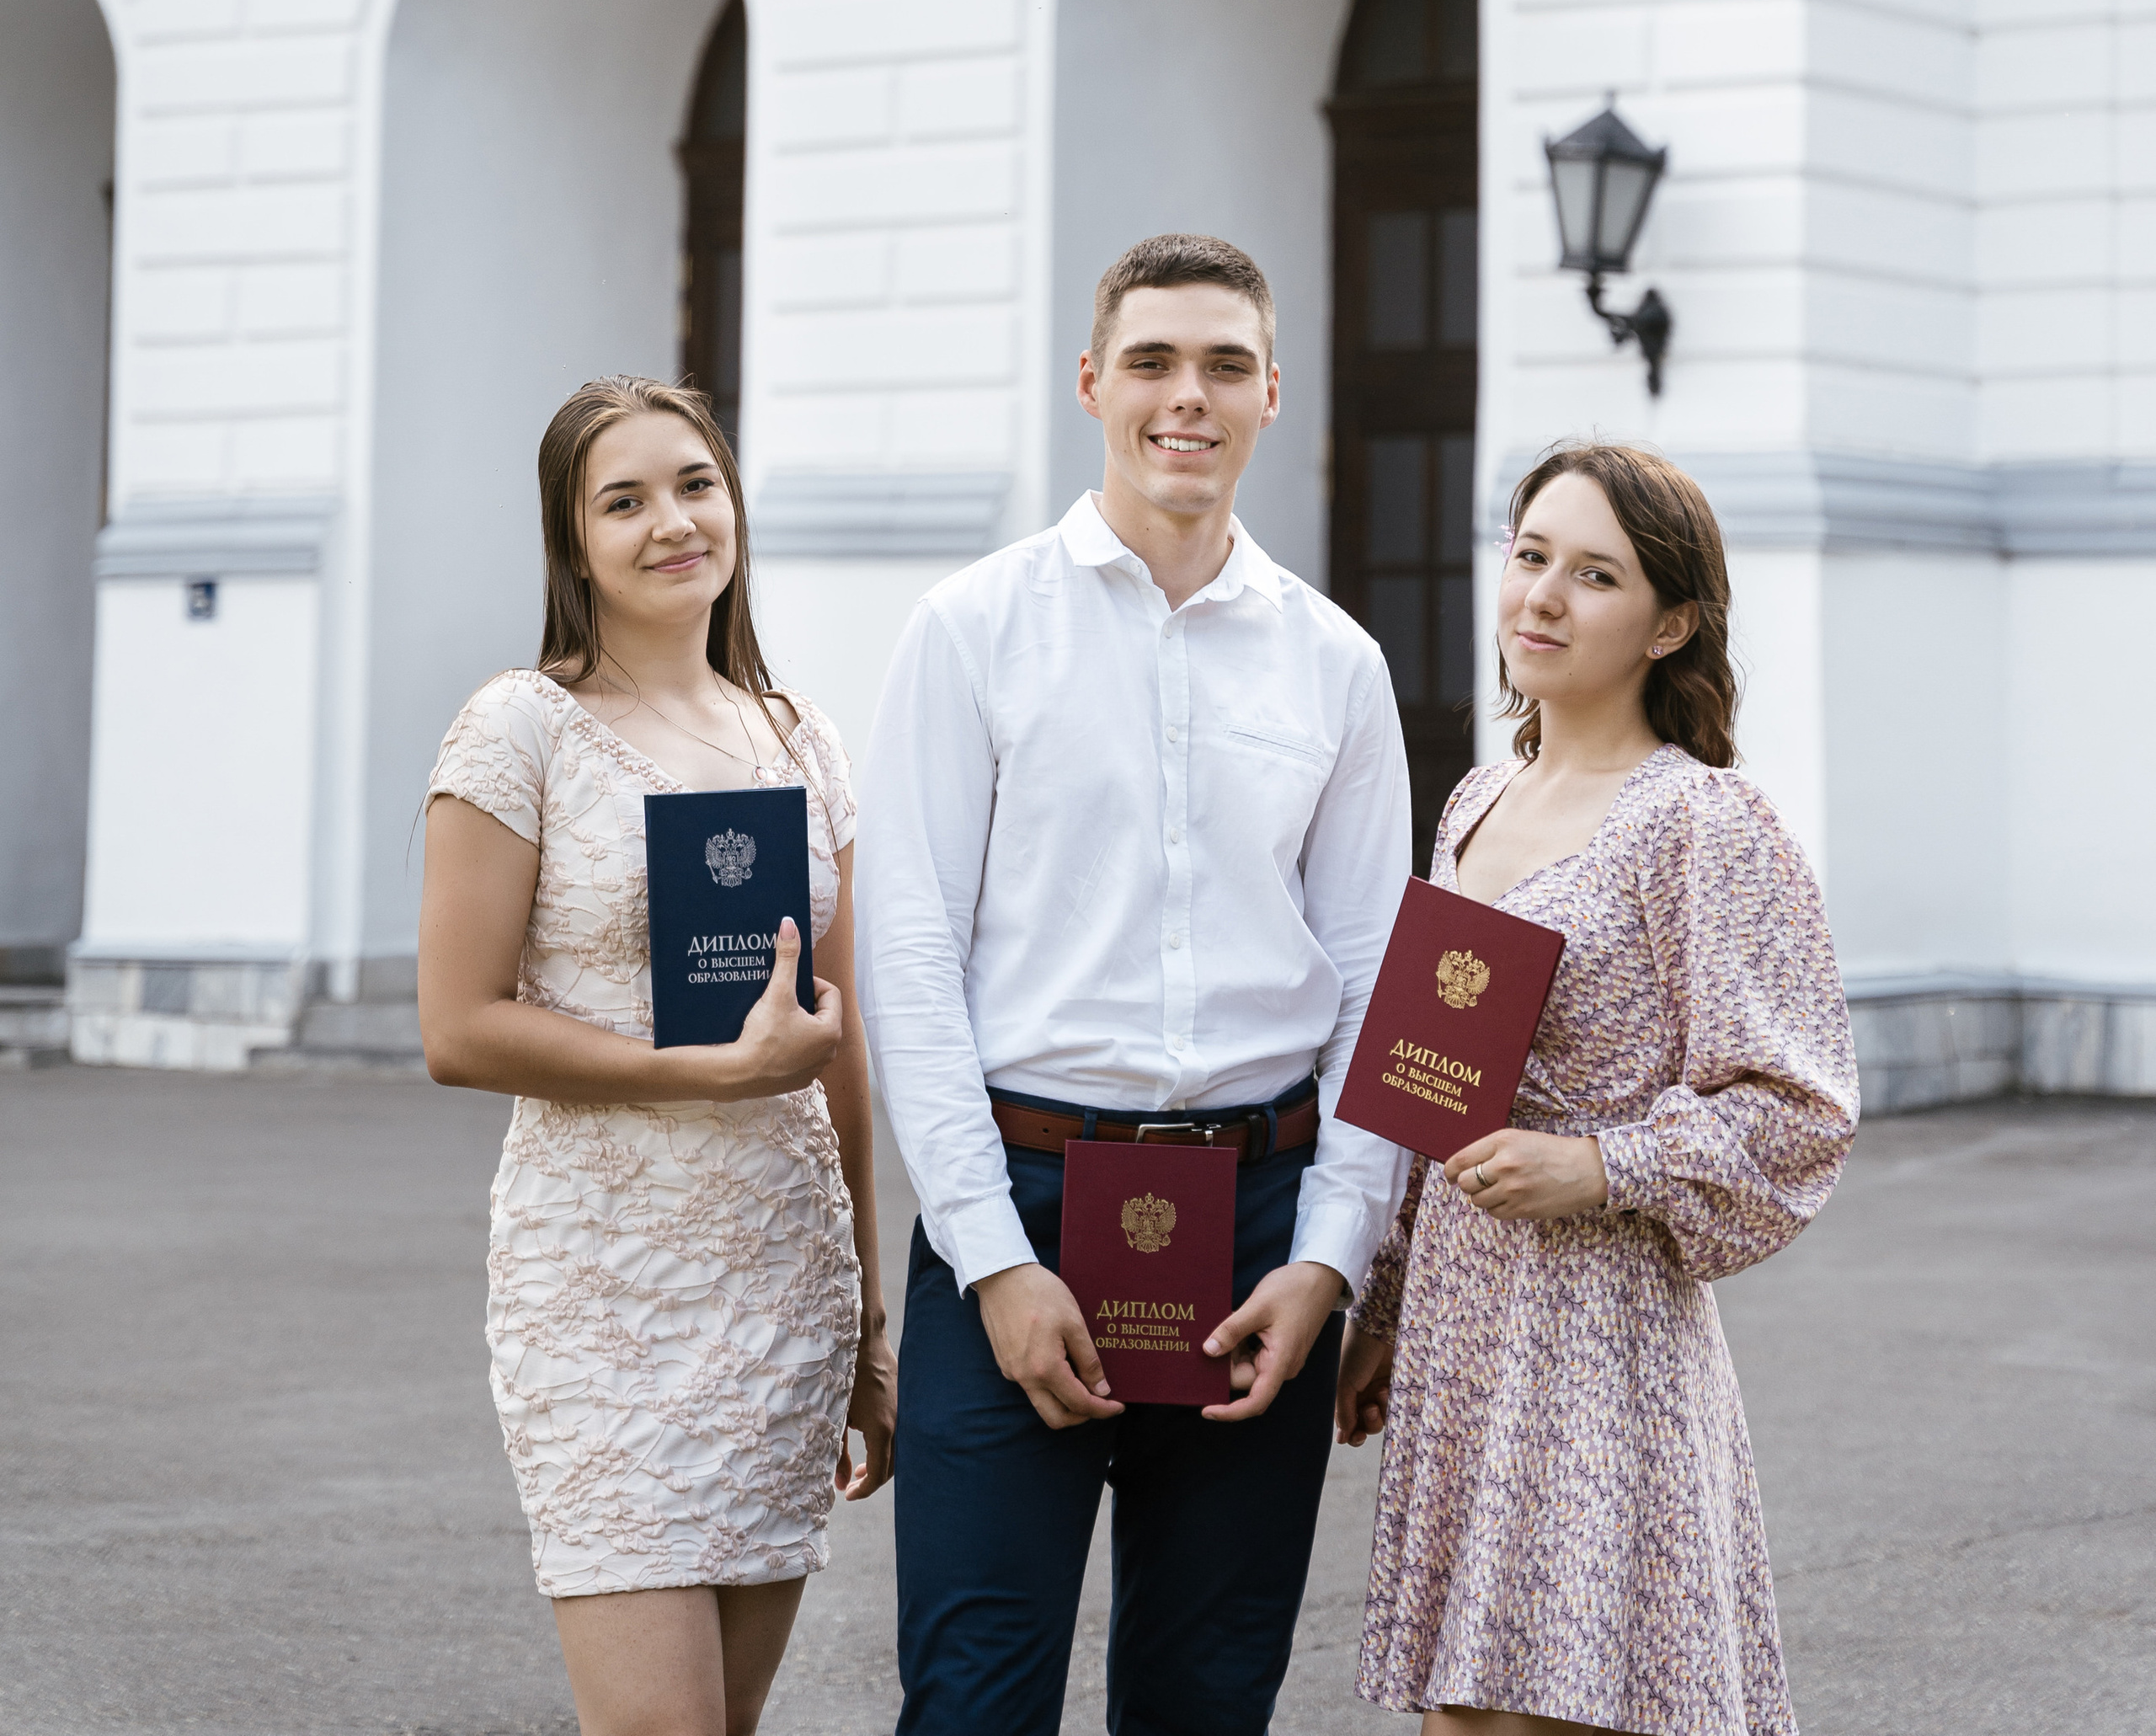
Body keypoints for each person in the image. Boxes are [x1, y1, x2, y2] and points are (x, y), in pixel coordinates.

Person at [855, 232, 1413, 1736]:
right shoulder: (971, 630)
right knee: (973, 1700)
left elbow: (1374, 984)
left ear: (1272, 392)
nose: (1189, 397)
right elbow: (909, 958)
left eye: (1226, 366)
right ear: (1092, 381)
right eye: (1154, 362)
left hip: (1261, 1227)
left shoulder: (1338, 664)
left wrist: (1333, 1259)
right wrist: (991, 1258)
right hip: (1019, 1205)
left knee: (1207, 1701)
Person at [1337, 440, 1859, 1736]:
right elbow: (1435, 1093)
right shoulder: (1475, 798)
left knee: (1547, 1711)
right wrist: (1386, 1305)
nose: (1542, 597)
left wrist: (1599, 1165)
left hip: (1598, 1337)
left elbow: (1801, 1110)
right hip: (1464, 1330)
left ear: (1671, 624)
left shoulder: (1704, 823)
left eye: (1595, 574)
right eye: (1530, 557)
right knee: (1466, 1711)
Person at [417, 374, 897, 1736]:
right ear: (573, 544)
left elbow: (839, 1047)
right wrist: (709, 1074)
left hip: (782, 1283)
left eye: (696, 485)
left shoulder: (801, 738)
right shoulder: (519, 727)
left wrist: (866, 1324)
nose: (673, 522)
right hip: (604, 1288)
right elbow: (456, 1027)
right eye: (623, 501)